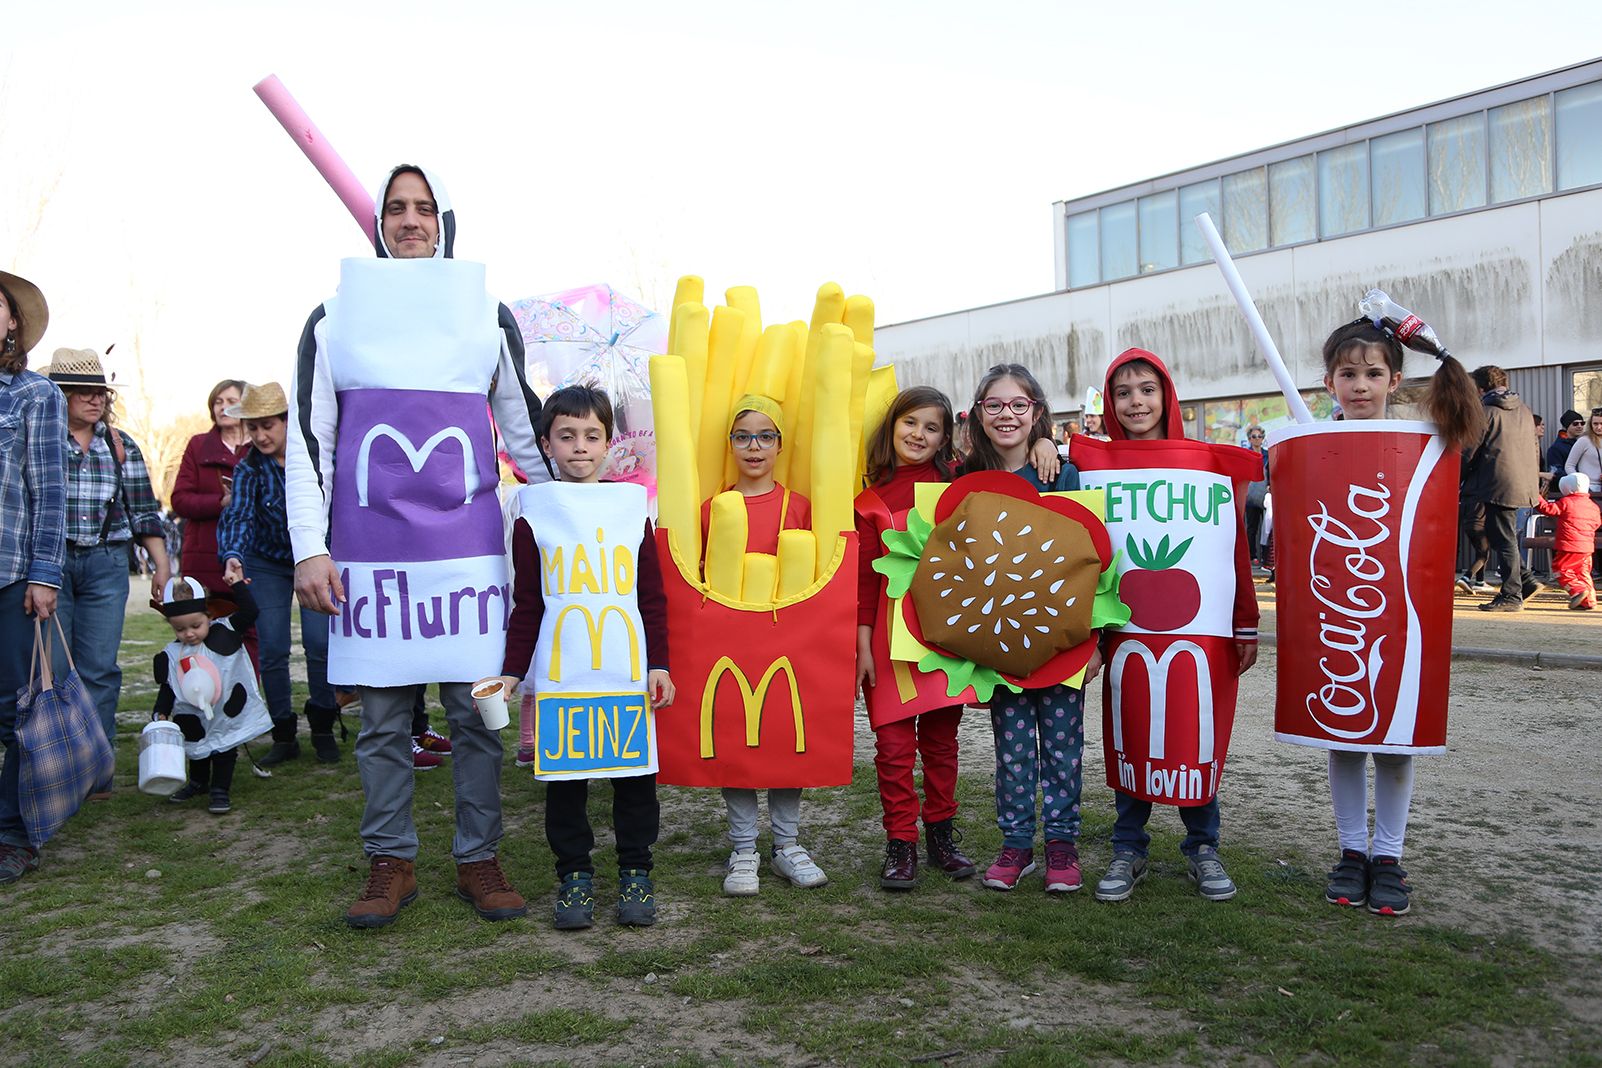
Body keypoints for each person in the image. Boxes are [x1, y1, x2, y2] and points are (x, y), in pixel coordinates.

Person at [287, 164, 552, 929]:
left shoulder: (485, 316)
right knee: (380, 721)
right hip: (371, 557)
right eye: (397, 208)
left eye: (425, 208)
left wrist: (571, 519)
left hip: (468, 557)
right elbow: (312, 441)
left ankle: (479, 857)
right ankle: (390, 861)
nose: (411, 221)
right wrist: (311, 547)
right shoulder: (333, 320)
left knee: (477, 716)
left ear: (444, 223)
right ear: (377, 224)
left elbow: (523, 431)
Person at [1312, 318, 1480, 915]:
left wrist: (1445, 355)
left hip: (1397, 605)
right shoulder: (1310, 440)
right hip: (1340, 608)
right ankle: (1352, 851)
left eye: (1373, 373)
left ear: (1395, 379)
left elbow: (1466, 437)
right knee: (1344, 733)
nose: (1360, 385)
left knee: (1396, 737)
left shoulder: (1418, 439)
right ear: (1328, 379)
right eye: (1348, 373)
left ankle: (1388, 855)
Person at [492, 386, 674, 929]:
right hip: (562, 672)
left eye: (592, 435)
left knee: (634, 780)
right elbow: (527, 603)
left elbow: (651, 597)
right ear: (545, 443)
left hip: (625, 670)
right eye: (566, 436)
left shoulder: (630, 507)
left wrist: (658, 663)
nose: (579, 447)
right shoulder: (532, 510)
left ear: (609, 443)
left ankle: (636, 872)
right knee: (566, 784)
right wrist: (511, 672)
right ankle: (574, 877)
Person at [1091, 349, 1257, 904]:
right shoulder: (1093, 469)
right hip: (1125, 627)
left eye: (1146, 389)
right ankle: (1128, 845)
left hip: (1201, 629)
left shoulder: (1204, 464)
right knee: (1132, 723)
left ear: (1167, 396)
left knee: (1195, 728)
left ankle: (1203, 846)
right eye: (1123, 393)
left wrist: (1246, 622)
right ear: (1110, 403)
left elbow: (1231, 547)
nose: (1135, 402)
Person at [956, 364, 1094, 893]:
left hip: (1060, 639)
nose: (1006, 414)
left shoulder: (1063, 473)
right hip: (999, 642)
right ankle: (1016, 845)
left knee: (1063, 747)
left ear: (1037, 410)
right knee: (1011, 748)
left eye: (1018, 404)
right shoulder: (965, 481)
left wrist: (1093, 642)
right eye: (995, 405)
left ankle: (1061, 846)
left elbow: (1091, 558)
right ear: (979, 415)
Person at [699, 395, 827, 896]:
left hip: (787, 638)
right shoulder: (714, 509)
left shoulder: (800, 507)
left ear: (780, 444)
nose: (754, 447)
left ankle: (788, 845)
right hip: (730, 638)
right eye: (743, 436)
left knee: (782, 731)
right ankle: (744, 847)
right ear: (730, 445)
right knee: (736, 736)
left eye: (765, 436)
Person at [854, 386, 976, 890]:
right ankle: (900, 842)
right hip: (885, 636)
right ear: (892, 427)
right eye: (910, 423)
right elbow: (862, 579)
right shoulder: (866, 496)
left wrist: (1043, 445)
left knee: (942, 744)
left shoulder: (959, 485)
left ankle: (941, 836)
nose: (919, 435)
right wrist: (862, 646)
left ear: (945, 436)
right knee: (894, 746)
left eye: (932, 427)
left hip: (944, 635)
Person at [45, 348, 170, 778]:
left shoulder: (120, 444)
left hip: (106, 563)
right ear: (59, 395)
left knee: (99, 668)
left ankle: (97, 767)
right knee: (54, 669)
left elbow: (143, 511)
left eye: (99, 391)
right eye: (82, 392)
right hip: (50, 564)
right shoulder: (39, 438)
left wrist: (162, 566)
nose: (95, 399)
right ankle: (59, 765)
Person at [217, 382, 341, 765]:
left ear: (288, 422)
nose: (260, 435)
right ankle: (283, 733)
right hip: (267, 562)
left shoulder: (317, 459)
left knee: (320, 645)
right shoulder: (249, 468)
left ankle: (323, 725)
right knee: (271, 648)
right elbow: (237, 515)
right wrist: (233, 556)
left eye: (268, 425)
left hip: (313, 556)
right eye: (252, 428)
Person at [0, 270, 64, 885]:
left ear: (12, 321)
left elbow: (49, 494)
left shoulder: (34, 396)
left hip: (10, 577)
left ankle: (14, 834)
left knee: (16, 714)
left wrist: (44, 575)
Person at [153, 577, 273, 814]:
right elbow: (169, 687)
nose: (188, 634)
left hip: (224, 712)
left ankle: (220, 789)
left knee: (224, 749)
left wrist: (237, 583)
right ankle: (198, 783)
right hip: (193, 717)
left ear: (208, 616)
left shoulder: (226, 631)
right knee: (197, 749)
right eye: (180, 629)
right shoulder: (172, 654)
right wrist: (161, 711)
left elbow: (251, 611)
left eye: (195, 626)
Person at [1461, 366, 1541, 611]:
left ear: (1480, 388)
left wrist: (1456, 478)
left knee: (1503, 539)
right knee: (1500, 536)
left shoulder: (1485, 412)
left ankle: (1512, 596)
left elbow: (1469, 452)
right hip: (1520, 482)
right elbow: (1534, 449)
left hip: (1496, 483)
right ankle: (1525, 582)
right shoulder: (1525, 411)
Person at [171, 380, 250, 595]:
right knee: (206, 624)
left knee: (252, 624)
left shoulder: (262, 446)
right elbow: (180, 500)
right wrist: (220, 502)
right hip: (204, 554)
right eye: (218, 402)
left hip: (251, 553)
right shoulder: (198, 446)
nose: (223, 407)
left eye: (231, 401)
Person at [1536, 473, 1600, 611]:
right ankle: (1589, 602)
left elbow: (1548, 509)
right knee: (1583, 572)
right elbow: (1597, 523)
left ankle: (1577, 591)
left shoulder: (1566, 502)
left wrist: (1537, 498)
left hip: (1569, 545)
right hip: (1587, 547)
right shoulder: (1593, 506)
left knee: (1561, 568)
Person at [1243, 424, 1268, 566]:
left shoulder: (1268, 454)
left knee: (1268, 527)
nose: (1257, 439)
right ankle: (1252, 556)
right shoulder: (1246, 455)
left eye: (1260, 436)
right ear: (1249, 439)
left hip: (1266, 495)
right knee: (1252, 527)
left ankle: (1267, 558)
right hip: (1251, 496)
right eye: (1254, 437)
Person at [1563, 408, 1602, 486]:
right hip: (1589, 487)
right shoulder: (1584, 441)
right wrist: (1580, 481)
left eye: (1601, 423)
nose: (1598, 427)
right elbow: (1569, 466)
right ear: (1590, 424)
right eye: (1595, 424)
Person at [1548, 409, 1585, 474]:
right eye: (1575, 424)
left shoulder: (1582, 443)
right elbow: (1556, 472)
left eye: (1582, 423)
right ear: (1566, 426)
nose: (1580, 426)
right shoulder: (1556, 448)